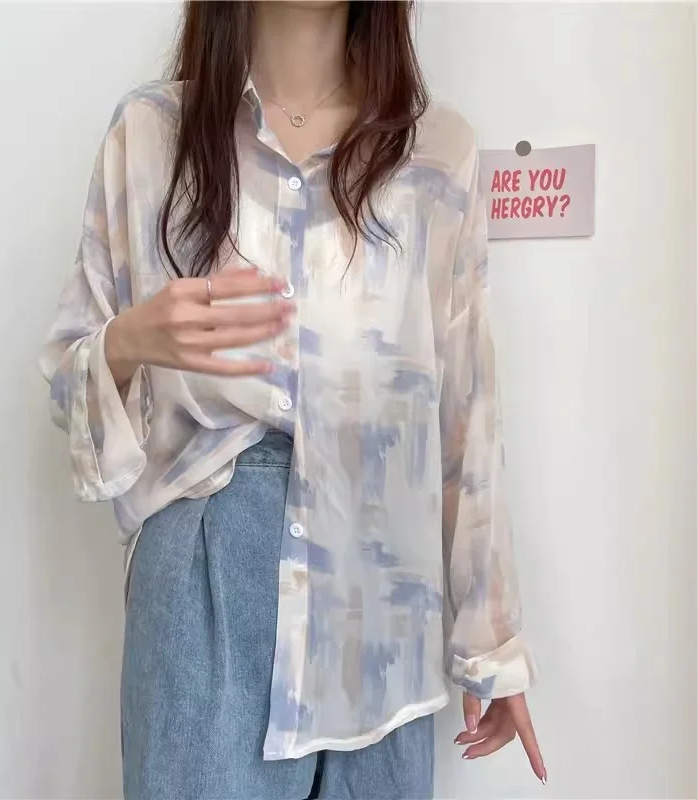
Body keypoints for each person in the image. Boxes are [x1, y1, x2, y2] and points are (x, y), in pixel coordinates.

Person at [40, 1, 546, 797]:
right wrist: (129, 342)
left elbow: (465, 415)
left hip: (380, 597)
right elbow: (70, 380)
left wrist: (493, 643)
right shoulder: (152, 133)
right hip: (206, 577)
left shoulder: (434, 153)